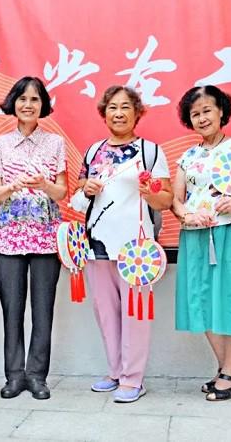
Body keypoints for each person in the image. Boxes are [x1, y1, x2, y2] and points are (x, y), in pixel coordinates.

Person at [74, 85, 172, 403]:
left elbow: (167, 198)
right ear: (104, 113)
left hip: (136, 248)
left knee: (135, 314)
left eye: (126, 107)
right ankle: (115, 371)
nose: (119, 113)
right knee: (106, 311)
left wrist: (150, 192)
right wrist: (86, 189)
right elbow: (78, 196)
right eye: (113, 107)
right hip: (97, 244)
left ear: (137, 113)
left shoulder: (150, 151)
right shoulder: (93, 152)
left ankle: (133, 378)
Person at [172, 85, 231, 401]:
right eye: (195, 113)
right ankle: (229, 369)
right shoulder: (188, 156)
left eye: (207, 110)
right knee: (200, 299)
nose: (202, 118)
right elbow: (176, 199)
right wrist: (185, 215)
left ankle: (228, 371)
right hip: (196, 234)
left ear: (221, 112)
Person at [0, 77, 67, 400]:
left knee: (43, 309)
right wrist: (11, 187)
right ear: (13, 104)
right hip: (8, 237)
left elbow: (62, 191)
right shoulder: (1, 145)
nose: (28, 105)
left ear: (42, 105)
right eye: (22, 99)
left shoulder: (56, 143)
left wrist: (44, 185)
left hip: (46, 237)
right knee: (12, 308)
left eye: (35, 99)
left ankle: (37, 376)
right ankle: (13, 375)